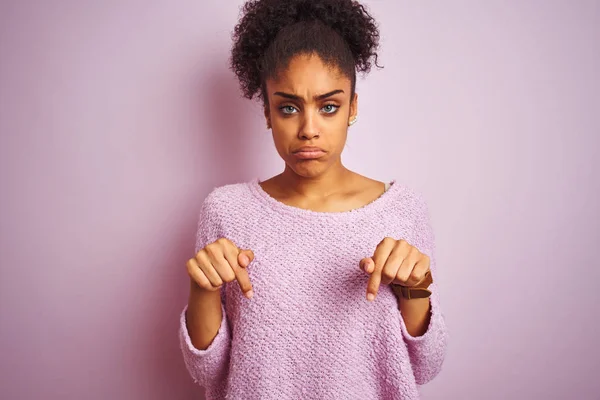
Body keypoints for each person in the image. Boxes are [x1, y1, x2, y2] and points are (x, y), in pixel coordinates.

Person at [179, 0, 448, 398]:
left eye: (328, 107)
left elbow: (427, 365)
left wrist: (416, 286)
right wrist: (203, 289)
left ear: (351, 108)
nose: (308, 129)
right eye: (288, 107)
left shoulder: (402, 210)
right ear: (268, 112)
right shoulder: (226, 211)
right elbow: (208, 371)